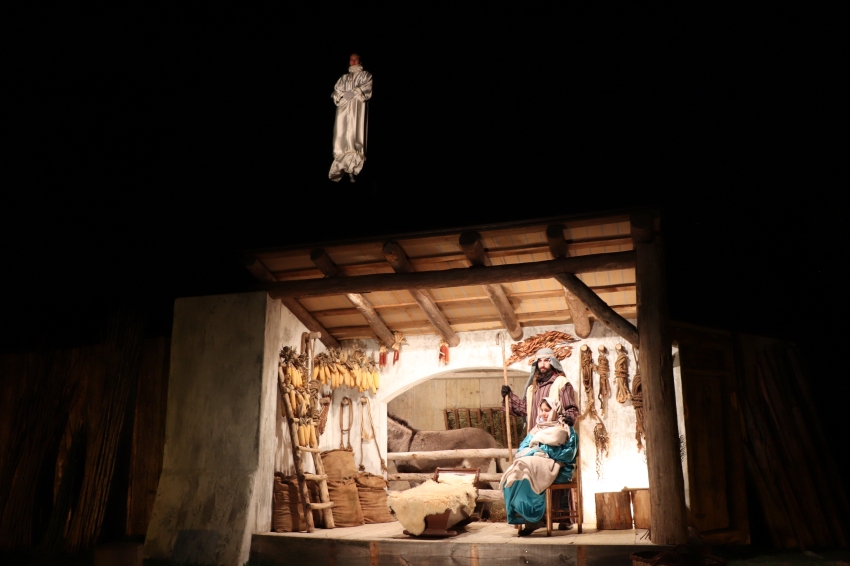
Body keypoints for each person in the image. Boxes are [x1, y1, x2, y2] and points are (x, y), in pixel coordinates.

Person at [500, 397, 578, 536]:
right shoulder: (536, 429)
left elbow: (568, 454)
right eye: (541, 410)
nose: (543, 413)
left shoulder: (566, 428)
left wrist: (543, 450)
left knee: (529, 471)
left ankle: (534, 518)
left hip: (560, 469)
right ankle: (525, 517)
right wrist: (537, 451)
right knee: (515, 472)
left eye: (547, 410)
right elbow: (521, 451)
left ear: (555, 410)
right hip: (536, 465)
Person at [329, 53, 373, 182]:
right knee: (341, 133)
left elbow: (367, 87)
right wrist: (341, 95)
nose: (352, 61)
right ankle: (341, 165)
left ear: (360, 60)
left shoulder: (365, 75)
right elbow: (336, 90)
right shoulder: (344, 78)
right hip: (344, 107)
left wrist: (355, 91)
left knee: (354, 132)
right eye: (351, 59)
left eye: (355, 59)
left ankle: (353, 166)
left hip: (356, 106)